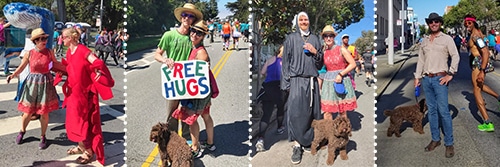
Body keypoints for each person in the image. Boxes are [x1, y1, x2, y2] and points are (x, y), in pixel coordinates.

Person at [60, 27, 114, 165]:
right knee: (74, 121)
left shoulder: (82, 50)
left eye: (63, 37)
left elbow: (98, 62)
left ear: (71, 38)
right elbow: (73, 69)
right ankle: (81, 146)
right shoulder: (69, 53)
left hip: (84, 94)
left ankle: (89, 151)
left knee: (84, 123)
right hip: (73, 92)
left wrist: (96, 69)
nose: (61, 39)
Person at [6, 28, 62, 150]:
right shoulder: (29, 53)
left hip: (46, 83)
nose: (44, 41)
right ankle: (22, 131)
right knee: (28, 112)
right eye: (41, 39)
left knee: (44, 112)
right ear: (35, 41)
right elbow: (22, 67)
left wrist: (68, 70)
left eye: (45, 38)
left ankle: (43, 136)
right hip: (32, 83)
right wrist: (13, 74)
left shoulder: (49, 51)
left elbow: (55, 64)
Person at [153, 3, 203, 138]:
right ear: (181, 18)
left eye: (191, 16)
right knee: (172, 112)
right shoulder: (169, 35)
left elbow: (200, 54)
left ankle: (186, 137)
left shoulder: (193, 37)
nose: (187, 18)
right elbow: (157, 54)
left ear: (193, 19)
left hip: (189, 79)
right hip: (173, 79)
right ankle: (172, 138)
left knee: (188, 109)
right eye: (185, 15)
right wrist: (165, 60)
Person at [414, 12, 459, 158]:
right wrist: (417, 77)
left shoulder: (447, 39)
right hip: (427, 79)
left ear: (440, 23)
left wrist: (450, 74)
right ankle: (435, 139)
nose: (433, 24)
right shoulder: (425, 40)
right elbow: (421, 60)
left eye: (436, 22)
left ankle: (449, 143)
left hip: (440, 79)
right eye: (431, 22)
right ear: (428, 24)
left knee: (444, 112)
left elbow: (455, 56)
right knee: (432, 111)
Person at [171, 21, 219, 158]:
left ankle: (195, 147)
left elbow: (200, 75)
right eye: (193, 30)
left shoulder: (201, 53)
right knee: (206, 115)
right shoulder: (195, 48)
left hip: (198, 92)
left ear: (203, 36)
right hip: (202, 91)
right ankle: (210, 143)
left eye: (199, 33)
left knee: (191, 120)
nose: (194, 34)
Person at [281, 11, 323, 165]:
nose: (304, 22)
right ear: (297, 22)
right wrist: (286, 84)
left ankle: (307, 141)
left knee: (312, 113)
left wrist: (314, 51)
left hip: (312, 80)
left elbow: (320, 63)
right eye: (301, 20)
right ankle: (297, 145)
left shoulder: (315, 39)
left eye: (306, 19)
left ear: (309, 22)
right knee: (296, 114)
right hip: (297, 81)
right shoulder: (291, 38)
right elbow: (285, 62)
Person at [463, 14, 500, 132]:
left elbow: (485, 52)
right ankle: (499, 98)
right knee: (480, 85)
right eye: (465, 23)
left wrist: (482, 71)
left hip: (478, 65)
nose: (467, 25)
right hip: (477, 64)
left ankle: (487, 122)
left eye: (469, 23)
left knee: (476, 91)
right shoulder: (475, 34)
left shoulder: (475, 36)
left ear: (474, 23)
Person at [318, 25, 357, 120]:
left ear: (334, 37)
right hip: (328, 82)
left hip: (341, 81)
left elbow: (353, 64)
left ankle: (343, 132)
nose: (328, 38)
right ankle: (329, 132)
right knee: (327, 111)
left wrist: (341, 74)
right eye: (325, 36)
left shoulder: (341, 49)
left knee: (342, 110)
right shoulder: (323, 52)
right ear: (323, 38)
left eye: (330, 35)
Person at [255, 45, 286, 152]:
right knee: (280, 108)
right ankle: (280, 127)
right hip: (279, 88)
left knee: (266, 114)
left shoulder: (270, 60)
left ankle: (260, 140)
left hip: (268, 88)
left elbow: (262, 73)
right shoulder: (285, 62)